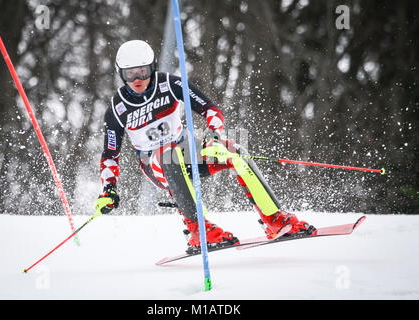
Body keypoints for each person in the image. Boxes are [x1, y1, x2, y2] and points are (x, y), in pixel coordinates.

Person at [95, 40, 317, 252]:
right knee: (167, 154)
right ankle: (198, 230)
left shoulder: (170, 84)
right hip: (155, 165)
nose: (137, 78)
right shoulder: (116, 109)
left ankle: (274, 218)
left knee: (234, 151)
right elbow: (109, 157)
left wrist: (215, 135)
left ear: (151, 67)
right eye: (129, 73)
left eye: (142, 71)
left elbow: (210, 110)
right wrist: (109, 189)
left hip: (187, 151)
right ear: (120, 73)